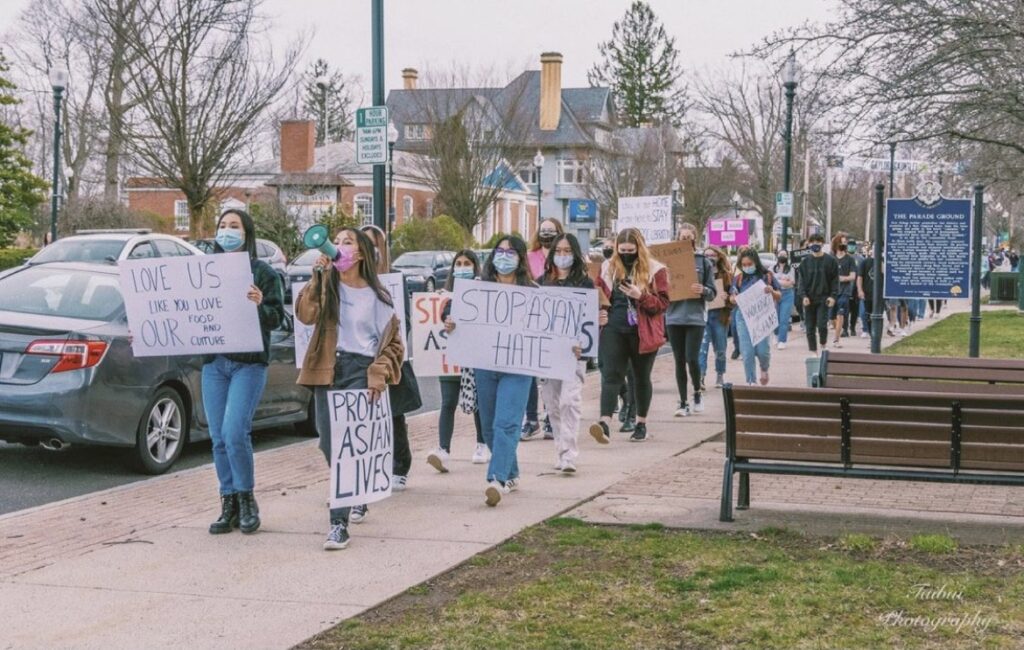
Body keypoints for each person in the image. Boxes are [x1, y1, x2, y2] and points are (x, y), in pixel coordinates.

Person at [295, 228, 404, 551]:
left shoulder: (377, 295)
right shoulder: (326, 285)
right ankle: (355, 491)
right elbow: (305, 315)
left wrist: (378, 374)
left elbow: (392, 344)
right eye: (337, 242)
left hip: (359, 370)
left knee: (347, 448)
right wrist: (318, 275)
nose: (339, 247)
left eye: (347, 243)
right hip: (328, 368)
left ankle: (338, 523)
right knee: (329, 443)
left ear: (361, 254)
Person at [204, 209, 285, 536]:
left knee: (235, 432)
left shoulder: (263, 272)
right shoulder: (205, 271)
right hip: (215, 363)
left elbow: (277, 317)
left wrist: (260, 303)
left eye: (234, 226)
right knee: (218, 438)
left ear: (246, 233)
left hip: (249, 363)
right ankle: (229, 502)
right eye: (223, 226)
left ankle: (247, 498)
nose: (227, 231)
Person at [444, 235, 535, 507]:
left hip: (518, 366)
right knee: (489, 424)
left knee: (505, 422)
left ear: (520, 258)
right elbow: (451, 311)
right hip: (485, 364)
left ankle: (496, 478)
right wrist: (449, 321)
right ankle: (512, 471)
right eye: (500, 251)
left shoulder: (533, 291)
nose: (504, 256)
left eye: (510, 251)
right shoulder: (477, 288)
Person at [589, 228, 670, 444]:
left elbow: (662, 303)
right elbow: (597, 295)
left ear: (639, 249)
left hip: (642, 330)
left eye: (630, 250)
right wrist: (600, 312)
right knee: (611, 375)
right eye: (622, 250)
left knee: (641, 377)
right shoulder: (608, 268)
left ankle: (640, 422)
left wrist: (640, 296)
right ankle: (604, 422)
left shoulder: (656, 270)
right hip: (614, 327)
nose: (626, 254)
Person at [359, 224, 420, 504]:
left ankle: (399, 465)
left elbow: (403, 319)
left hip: (387, 358)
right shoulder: (348, 280)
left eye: (373, 244)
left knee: (393, 415)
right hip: (358, 360)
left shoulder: (394, 278)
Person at [427, 250, 488, 473]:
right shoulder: (443, 296)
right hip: (450, 359)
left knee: (478, 402)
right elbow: (443, 316)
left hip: (475, 358)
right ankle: (443, 449)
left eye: (467, 263)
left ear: (475, 267)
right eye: (458, 263)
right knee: (447, 402)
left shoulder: (483, 292)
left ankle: (482, 444)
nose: (462, 267)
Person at [537, 233, 592, 472]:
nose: (562, 255)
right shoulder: (541, 283)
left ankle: (570, 454)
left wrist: (587, 346)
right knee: (553, 405)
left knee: (569, 401)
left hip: (574, 354)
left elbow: (591, 320)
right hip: (549, 354)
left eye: (567, 251)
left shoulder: (585, 284)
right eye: (558, 251)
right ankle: (561, 449)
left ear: (575, 254)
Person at [665, 224, 717, 417]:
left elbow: (713, 293)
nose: (686, 240)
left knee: (692, 358)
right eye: (682, 237)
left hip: (695, 317)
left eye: (689, 237)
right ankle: (683, 401)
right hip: (673, 316)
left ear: (695, 239)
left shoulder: (704, 262)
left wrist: (703, 290)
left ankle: (696, 391)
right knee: (679, 360)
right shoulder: (667, 262)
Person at [522, 218, 566, 440]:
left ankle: (551, 416)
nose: (547, 234)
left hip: (556, 321)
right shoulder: (529, 258)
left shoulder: (565, 257)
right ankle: (531, 419)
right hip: (533, 318)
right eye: (543, 230)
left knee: (552, 371)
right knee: (530, 370)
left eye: (551, 231)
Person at [729, 248, 781, 386]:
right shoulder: (738, 279)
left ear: (756, 263)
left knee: (763, 350)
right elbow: (732, 295)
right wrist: (733, 299)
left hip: (762, 316)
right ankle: (751, 381)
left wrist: (772, 291)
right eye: (744, 265)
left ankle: (764, 367)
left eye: (749, 264)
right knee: (747, 352)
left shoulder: (767, 276)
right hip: (743, 317)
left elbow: (779, 294)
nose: (747, 267)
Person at [699, 245, 734, 389]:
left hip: (719, 315)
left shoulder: (726, 275)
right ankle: (700, 377)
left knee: (720, 349)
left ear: (719, 257)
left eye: (712, 255)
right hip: (703, 314)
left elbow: (733, 297)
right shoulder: (699, 274)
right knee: (702, 348)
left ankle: (720, 374)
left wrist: (727, 298)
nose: (709, 258)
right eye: (706, 255)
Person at [798, 233, 838, 353]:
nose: (815, 244)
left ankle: (823, 344)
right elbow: (801, 282)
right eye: (812, 242)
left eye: (818, 241)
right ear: (809, 244)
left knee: (821, 325)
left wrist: (833, 296)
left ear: (822, 243)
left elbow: (835, 281)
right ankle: (813, 351)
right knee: (809, 327)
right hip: (809, 299)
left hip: (824, 298)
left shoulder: (830, 261)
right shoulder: (805, 262)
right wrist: (803, 296)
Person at [830, 233, 857, 347]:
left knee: (841, 312)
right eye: (841, 242)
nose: (843, 244)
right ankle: (838, 328)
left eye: (845, 242)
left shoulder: (849, 260)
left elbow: (853, 276)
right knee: (831, 317)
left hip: (844, 291)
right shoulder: (831, 259)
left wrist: (842, 278)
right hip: (832, 292)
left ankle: (836, 339)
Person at [773, 250, 796, 350]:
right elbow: (771, 281)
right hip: (775, 294)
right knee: (775, 318)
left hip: (787, 294)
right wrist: (783, 281)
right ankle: (776, 335)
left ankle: (782, 340)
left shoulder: (791, 269)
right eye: (780, 254)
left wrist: (778, 281)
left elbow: (791, 283)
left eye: (784, 255)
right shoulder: (772, 268)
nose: (782, 256)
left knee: (784, 318)